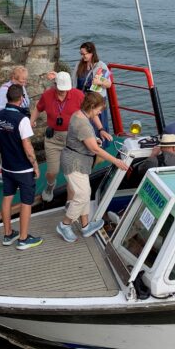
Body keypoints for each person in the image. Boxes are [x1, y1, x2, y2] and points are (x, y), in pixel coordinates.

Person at [57, 93, 129, 243]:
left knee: (86, 192)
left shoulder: (79, 115)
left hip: (78, 160)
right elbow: (95, 150)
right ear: (91, 107)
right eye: (99, 109)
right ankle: (65, 225)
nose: (100, 113)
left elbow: (82, 138)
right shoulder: (83, 123)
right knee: (82, 195)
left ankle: (85, 226)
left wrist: (94, 138)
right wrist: (116, 161)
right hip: (74, 162)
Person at [32, 71, 109, 203]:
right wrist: (31, 121)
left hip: (73, 138)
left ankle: (70, 202)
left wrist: (101, 129)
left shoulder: (78, 95)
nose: (63, 92)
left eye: (65, 89)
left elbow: (91, 112)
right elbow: (38, 108)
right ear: (55, 85)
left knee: (72, 174)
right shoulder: (47, 95)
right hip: (53, 138)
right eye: (60, 89)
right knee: (52, 171)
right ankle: (50, 185)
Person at [0, 84, 42, 250]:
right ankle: (23, 238)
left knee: (7, 197)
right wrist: (35, 165)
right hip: (23, 168)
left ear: (7, 97)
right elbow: (27, 146)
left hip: (7, 166)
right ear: (21, 98)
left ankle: (8, 234)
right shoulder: (22, 120)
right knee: (26, 202)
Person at [0, 66, 30, 184]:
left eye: (25, 80)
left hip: (19, 122)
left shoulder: (20, 87)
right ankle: (5, 175)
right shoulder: (5, 90)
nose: (24, 83)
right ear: (13, 78)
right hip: (11, 125)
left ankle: (4, 174)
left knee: (15, 150)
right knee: (15, 149)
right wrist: (5, 123)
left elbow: (25, 103)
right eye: (21, 80)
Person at [74, 41, 113, 133]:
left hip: (96, 100)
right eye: (81, 54)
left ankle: (100, 143)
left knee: (97, 125)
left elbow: (109, 84)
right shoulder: (79, 65)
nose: (82, 56)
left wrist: (99, 82)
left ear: (91, 53)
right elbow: (74, 81)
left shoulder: (101, 66)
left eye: (84, 54)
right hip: (82, 99)